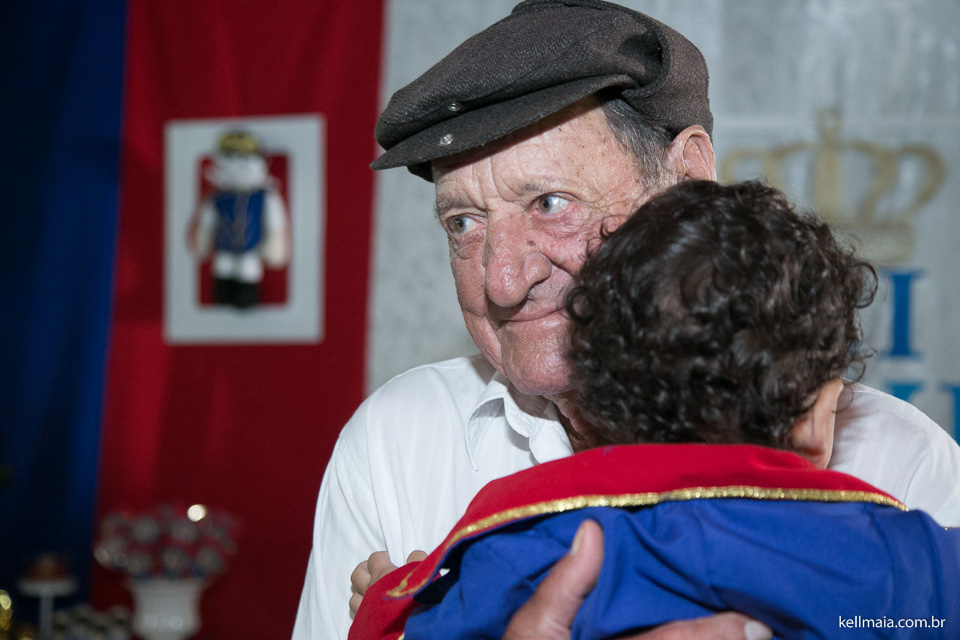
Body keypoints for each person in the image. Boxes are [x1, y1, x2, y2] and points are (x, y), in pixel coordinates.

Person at [292, 2, 960, 639]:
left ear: (689, 176)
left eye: (551, 202)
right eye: (463, 222)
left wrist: (402, 606)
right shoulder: (396, 443)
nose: (502, 280)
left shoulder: (903, 465)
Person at [346, 180, 960, 640]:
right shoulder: (899, 552)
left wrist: (394, 598)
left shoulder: (531, 533)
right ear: (818, 422)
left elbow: (419, 622)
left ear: (597, 402)